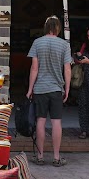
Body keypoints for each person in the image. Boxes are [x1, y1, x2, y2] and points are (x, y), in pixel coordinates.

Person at [26, 16, 71, 167]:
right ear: (58, 28)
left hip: (40, 89)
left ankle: (40, 156)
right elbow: (67, 68)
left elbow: (34, 68)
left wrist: (30, 89)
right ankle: (57, 157)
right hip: (57, 89)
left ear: (46, 27)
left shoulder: (37, 43)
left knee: (41, 121)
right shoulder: (64, 44)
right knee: (56, 122)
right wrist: (68, 88)